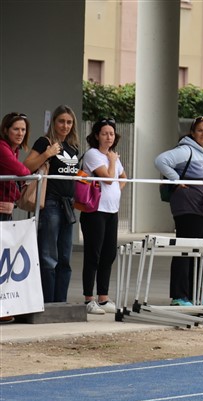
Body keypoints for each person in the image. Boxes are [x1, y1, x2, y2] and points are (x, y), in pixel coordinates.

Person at [155, 116, 203, 306]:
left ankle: (195, 294)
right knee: (185, 250)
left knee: (200, 253)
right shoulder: (186, 150)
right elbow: (161, 161)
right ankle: (179, 295)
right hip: (190, 209)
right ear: (192, 132)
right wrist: (176, 179)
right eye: (200, 130)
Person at [24, 105, 79, 304]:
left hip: (68, 206)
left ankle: (60, 303)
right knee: (48, 257)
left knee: (65, 257)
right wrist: (47, 154)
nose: (65, 126)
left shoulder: (73, 146)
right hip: (51, 204)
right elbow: (27, 166)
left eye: (69, 122)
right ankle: (47, 303)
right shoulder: (44, 142)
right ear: (54, 122)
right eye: (61, 121)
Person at [79, 118, 126, 315]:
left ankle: (103, 297)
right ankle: (88, 298)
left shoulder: (112, 155)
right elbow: (107, 178)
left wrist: (117, 189)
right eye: (105, 133)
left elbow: (122, 178)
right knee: (93, 254)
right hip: (95, 211)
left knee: (109, 254)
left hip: (111, 211)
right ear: (97, 135)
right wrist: (112, 161)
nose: (109, 137)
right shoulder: (93, 154)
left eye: (112, 134)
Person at [0, 112, 32, 221]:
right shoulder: (2, 147)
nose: (20, 133)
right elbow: (21, 171)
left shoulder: (14, 149)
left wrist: (13, 201)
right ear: (5, 130)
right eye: (16, 129)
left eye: (23, 130)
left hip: (6, 206)